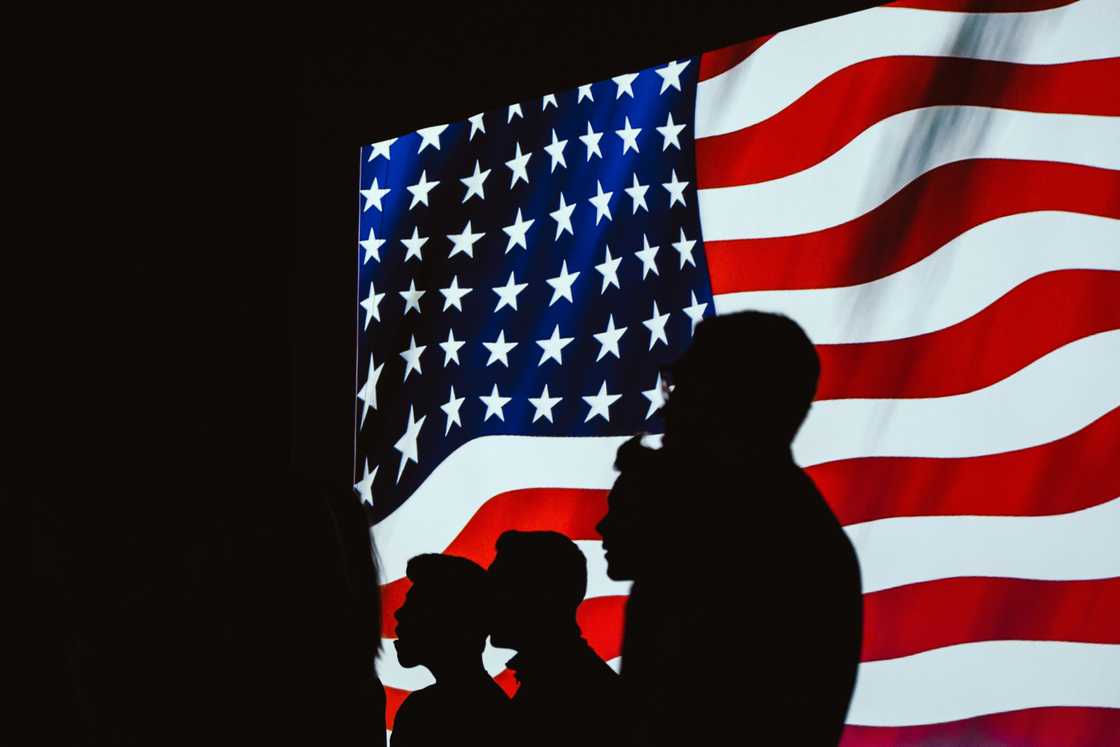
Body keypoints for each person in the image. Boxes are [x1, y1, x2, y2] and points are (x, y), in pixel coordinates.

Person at [621, 310, 863, 747]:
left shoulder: (770, 548)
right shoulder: (759, 529)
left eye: (685, 387)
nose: (668, 408)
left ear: (731, 401)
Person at [487, 530, 621, 747]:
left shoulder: (572, 696)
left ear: (543, 595)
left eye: (500, 587)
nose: (488, 601)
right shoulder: (568, 682)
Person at [391, 553, 510, 746]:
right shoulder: (493, 710)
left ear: (450, 621)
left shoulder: (422, 712)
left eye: (417, 605)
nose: (399, 613)